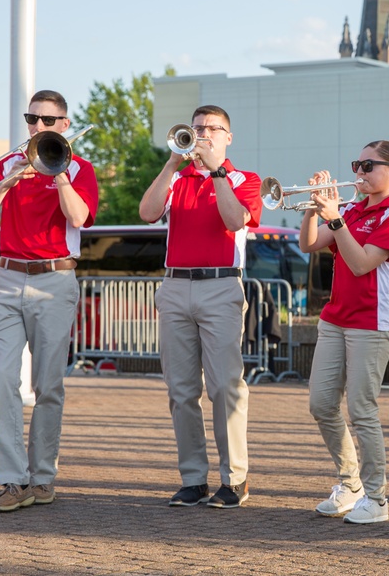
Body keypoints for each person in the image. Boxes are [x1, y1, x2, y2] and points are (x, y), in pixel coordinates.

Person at [0, 90, 99, 512]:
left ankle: (43, 477)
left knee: (49, 385)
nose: (38, 127)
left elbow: (79, 218)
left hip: (55, 279)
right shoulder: (8, 164)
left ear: (64, 125)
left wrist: (57, 168)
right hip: (7, 277)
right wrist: (10, 179)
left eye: (48, 121)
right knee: (4, 380)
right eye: (32, 119)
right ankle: (13, 480)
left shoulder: (80, 168)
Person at [138, 104, 261, 510]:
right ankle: (193, 478)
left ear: (228, 136)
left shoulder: (245, 178)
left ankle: (235, 479)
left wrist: (217, 172)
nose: (203, 134)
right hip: (175, 285)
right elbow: (147, 212)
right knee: (181, 390)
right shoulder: (178, 177)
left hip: (221, 284)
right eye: (197, 128)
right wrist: (172, 164)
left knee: (225, 386)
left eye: (213, 129)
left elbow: (234, 220)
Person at [299, 141, 389, 524]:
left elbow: (363, 263)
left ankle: (378, 499)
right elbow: (309, 244)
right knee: (320, 404)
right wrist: (313, 209)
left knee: (362, 410)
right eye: (357, 164)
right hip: (336, 318)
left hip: (372, 321)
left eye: (369, 166)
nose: (360, 173)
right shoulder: (349, 209)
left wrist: (335, 219)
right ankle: (351, 485)